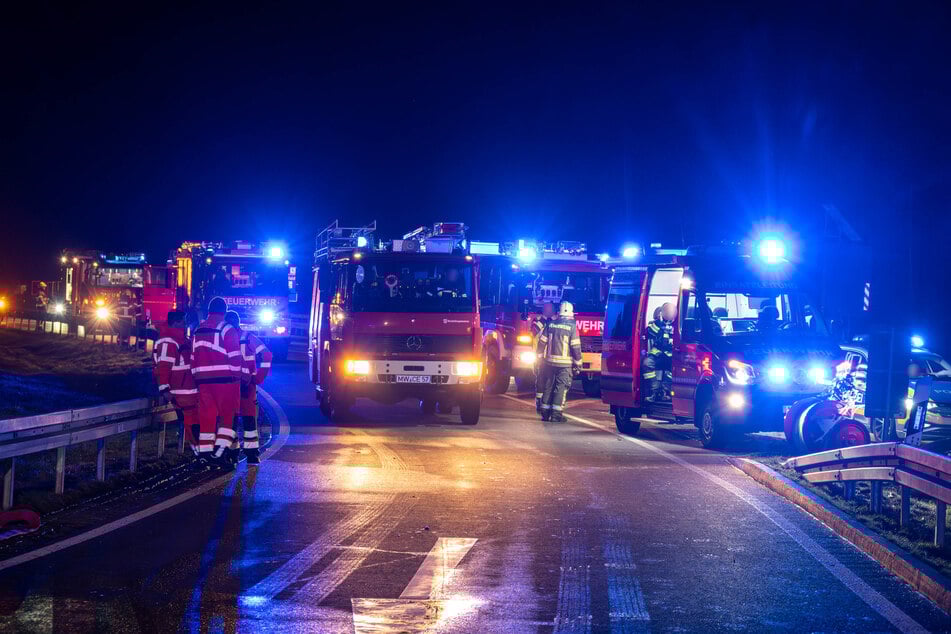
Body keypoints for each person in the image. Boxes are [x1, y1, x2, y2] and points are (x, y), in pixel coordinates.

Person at [191, 297, 242, 468]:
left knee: (207, 417)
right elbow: (235, 357)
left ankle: (204, 455)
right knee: (228, 419)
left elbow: (193, 356)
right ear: (225, 311)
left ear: (209, 310)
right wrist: (237, 378)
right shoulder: (227, 329)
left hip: (203, 381)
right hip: (225, 382)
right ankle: (219, 455)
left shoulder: (199, 329)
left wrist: (195, 377)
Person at [224, 311, 273, 465]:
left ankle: (232, 453)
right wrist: (258, 378)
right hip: (248, 385)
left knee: (230, 420)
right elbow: (267, 355)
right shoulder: (247, 337)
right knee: (249, 421)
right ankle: (251, 454)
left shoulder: (221, 338)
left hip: (230, 384)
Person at [153, 311, 200, 458]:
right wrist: (165, 389)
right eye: (182, 321)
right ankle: (200, 453)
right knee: (191, 423)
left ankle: (202, 452)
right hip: (180, 392)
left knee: (196, 422)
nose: (185, 324)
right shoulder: (168, 342)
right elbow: (163, 367)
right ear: (175, 323)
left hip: (190, 391)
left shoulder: (182, 340)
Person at [537, 301, 583, 422]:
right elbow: (575, 347)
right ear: (571, 313)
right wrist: (578, 364)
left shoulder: (551, 324)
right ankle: (556, 415)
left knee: (548, 386)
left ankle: (545, 413)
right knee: (560, 388)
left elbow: (541, 342)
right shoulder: (572, 327)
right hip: (565, 365)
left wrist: (540, 358)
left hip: (549, 363)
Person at [644, 303, 675, 401]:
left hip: (671, 356)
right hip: (658, 354)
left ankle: (664, 391)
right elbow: (649, 333)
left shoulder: (677, 325)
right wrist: (659, 323)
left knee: (673, 370)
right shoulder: (656, 324)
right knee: (647, 364)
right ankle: (655, 390)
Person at [532, 302, 556, 413]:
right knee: (540, 380)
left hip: (552, 356)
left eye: (550, 308)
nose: (548, 310)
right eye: (546, 308)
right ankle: (539, 403)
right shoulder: (537, 320)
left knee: (551, 381)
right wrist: (544, 319)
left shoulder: (556, 321)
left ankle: (548, 404)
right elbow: (533, 331)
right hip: (539, 356)